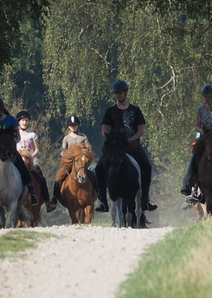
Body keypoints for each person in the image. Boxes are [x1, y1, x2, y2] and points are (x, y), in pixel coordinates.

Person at [95, 79, 158, 212]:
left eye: (120, 93)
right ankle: (103, 202)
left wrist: (132, 138)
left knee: (147, 165)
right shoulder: (110, 111)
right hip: (114, 147)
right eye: (116, 93)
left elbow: (140, 130)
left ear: (126, 92)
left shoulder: (135, 110)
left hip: (132, 145)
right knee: (99, 168)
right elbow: (104, 129)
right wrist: (108, 136)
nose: (117, 95)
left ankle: (145, 200)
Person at [0, 96, 39, 209]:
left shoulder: (12, 120)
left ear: (1, 108)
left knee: (24, 169)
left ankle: (33, 193)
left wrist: (11, 144)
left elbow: (18, 137)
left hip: (11, 150)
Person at [15, 110, 56, 212]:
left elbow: (37, 149)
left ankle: (47, 202)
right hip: (19, 163)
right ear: (19, 122)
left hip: (32, 163)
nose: (25, 122)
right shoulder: (15, 134)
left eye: (27, 120)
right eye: (23, 120)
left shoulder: (32, 135)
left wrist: (30, 156)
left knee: (41, 178)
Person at [52, 115, 98, 204]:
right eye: (71, 125)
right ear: (68, 126)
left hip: (82, 163)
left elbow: (88, 148)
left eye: (75, 125)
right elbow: (63, 150)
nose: (73, 127)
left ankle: (97, 193)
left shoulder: (83, 137)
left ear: (78, 125)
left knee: (93, 173)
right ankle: (55, 197)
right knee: (58, 178)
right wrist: (64, 154)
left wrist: (85, 152)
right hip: (70, 163)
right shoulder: (66, 138)